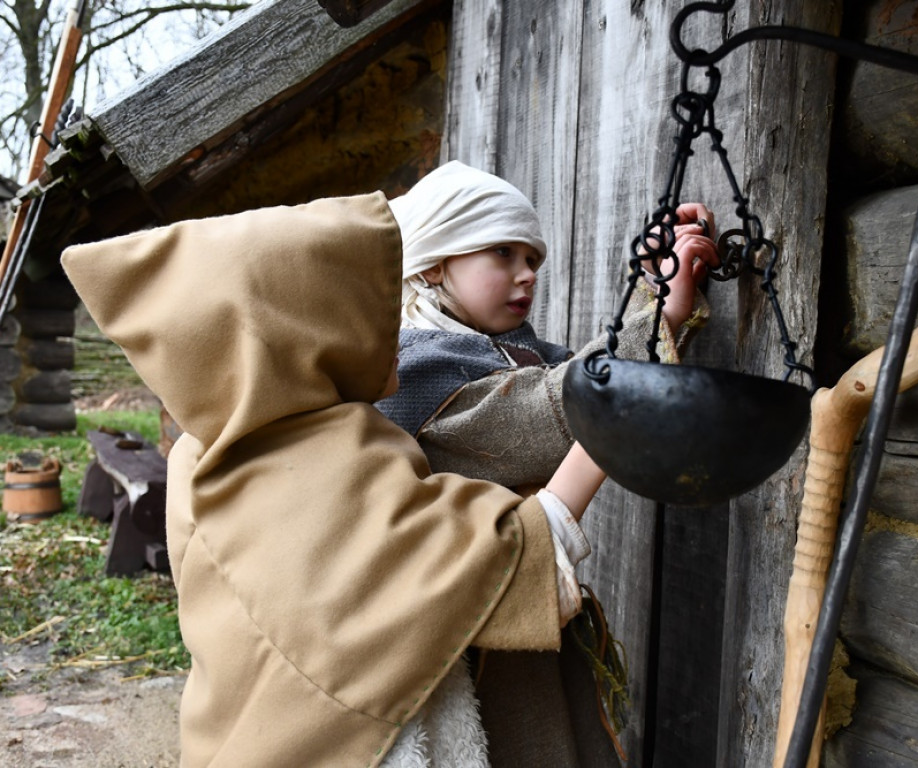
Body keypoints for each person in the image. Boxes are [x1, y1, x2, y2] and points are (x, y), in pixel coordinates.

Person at [59, 193, 611, 768]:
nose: (388, 324)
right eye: (362, 308)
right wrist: (612, 421)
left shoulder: (207, 443)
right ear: (298, 324)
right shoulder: (320, 453)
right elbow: (476, 565)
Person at [375, 161, 720, 766]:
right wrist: (659, 315)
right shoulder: (414, 369)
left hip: (516, 616)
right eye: (502, 254)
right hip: (473, 638)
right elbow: (553, 408)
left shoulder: (496, 348)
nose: (526, 273)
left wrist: (649, 288)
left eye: (532, 258)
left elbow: (587, 370)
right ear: (433, 262)